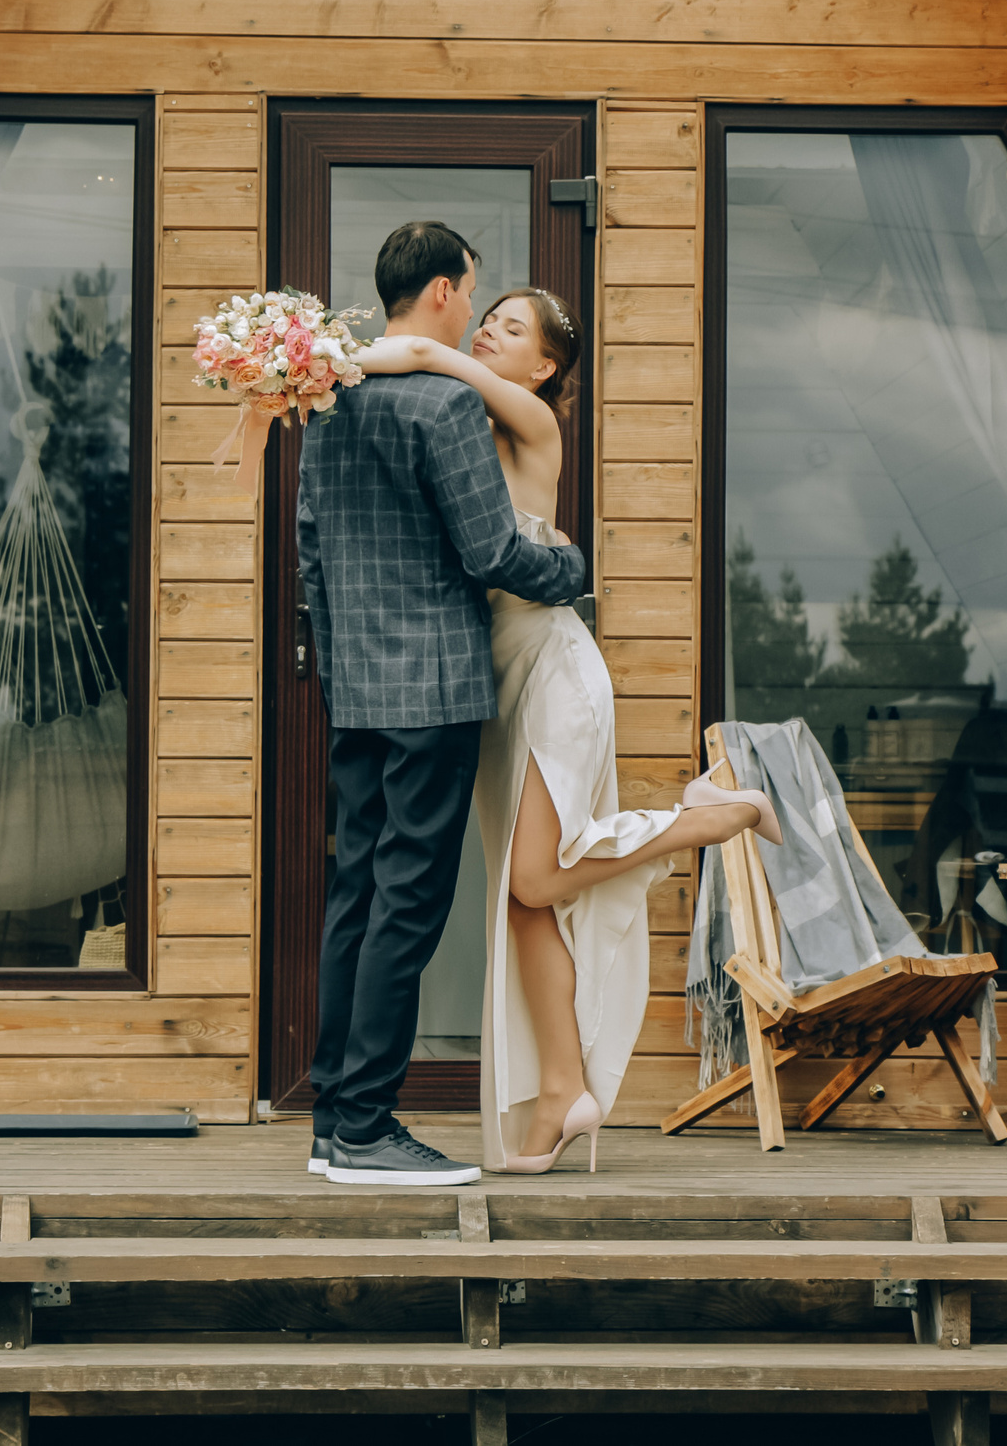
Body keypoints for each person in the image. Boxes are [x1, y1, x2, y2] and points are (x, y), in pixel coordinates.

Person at [360, 288, 780, 1175]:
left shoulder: (532, 422)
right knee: (523, 902)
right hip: (499, 684)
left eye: (511, 330)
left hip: (553, 669)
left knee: (537, 875)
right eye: (490, 319)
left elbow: (430, 357)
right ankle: (561, 1089)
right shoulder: (464, 429)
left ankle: (711, 814)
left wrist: (315, 364)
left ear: (544, 366)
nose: (488, 333)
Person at [298, 222, 589, 1187]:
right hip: (431, 685)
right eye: (471, 289)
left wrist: (336, 664)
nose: (473, 306)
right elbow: (492, 553)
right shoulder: (443, 407)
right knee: (409, 900)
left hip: (356, 687)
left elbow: (310, 551)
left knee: (354, 896)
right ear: (439, 291)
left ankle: (333, 1121)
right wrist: (574, 566)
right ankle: (372, 1126)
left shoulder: (329, 399)